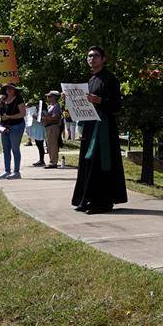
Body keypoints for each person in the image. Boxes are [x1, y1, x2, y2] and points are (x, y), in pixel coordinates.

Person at [71, 46, 129, 213]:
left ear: (103, 59)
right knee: (87, 162)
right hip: (90, 126)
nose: (92, 58)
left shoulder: (110, 79)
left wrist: (101, 101)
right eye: (89, 56)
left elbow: (117, 105)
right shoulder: (91, 80)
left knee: (100, 163)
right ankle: (86, 199)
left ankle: (102, 203)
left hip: (103, 128)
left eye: (95, 56)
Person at [0, 84, 26, 180]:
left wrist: (9, 117)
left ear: (14, 90)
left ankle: (16, 172)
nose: (8, 90)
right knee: (6, 149)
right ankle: (7, 171)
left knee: (15, 148)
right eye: (7, 89)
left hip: (16, 126)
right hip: (4, 126)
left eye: (11, 88)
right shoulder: (3, 100)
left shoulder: (18, 99)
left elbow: (22, 114)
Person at [42, 91, 64, 168]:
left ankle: (53, 162)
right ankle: (52, 161)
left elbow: (55, 117)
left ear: (54, 97)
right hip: (49, 127)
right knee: (49, 145)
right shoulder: (50, 106)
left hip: (53, 127)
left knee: (53, 145)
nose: (48, 98)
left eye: (49, 96)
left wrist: (45, 118)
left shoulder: (56, 106)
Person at [26, 100, 47, 167]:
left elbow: (43, 120)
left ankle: (42, 160)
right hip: (37, 130)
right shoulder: (37, 111)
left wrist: (35, 117)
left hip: (40, 130)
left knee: (40, 146)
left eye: (38, 104)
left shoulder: (43, 112)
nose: (36, 106)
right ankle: (41, 160)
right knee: (38, 145)